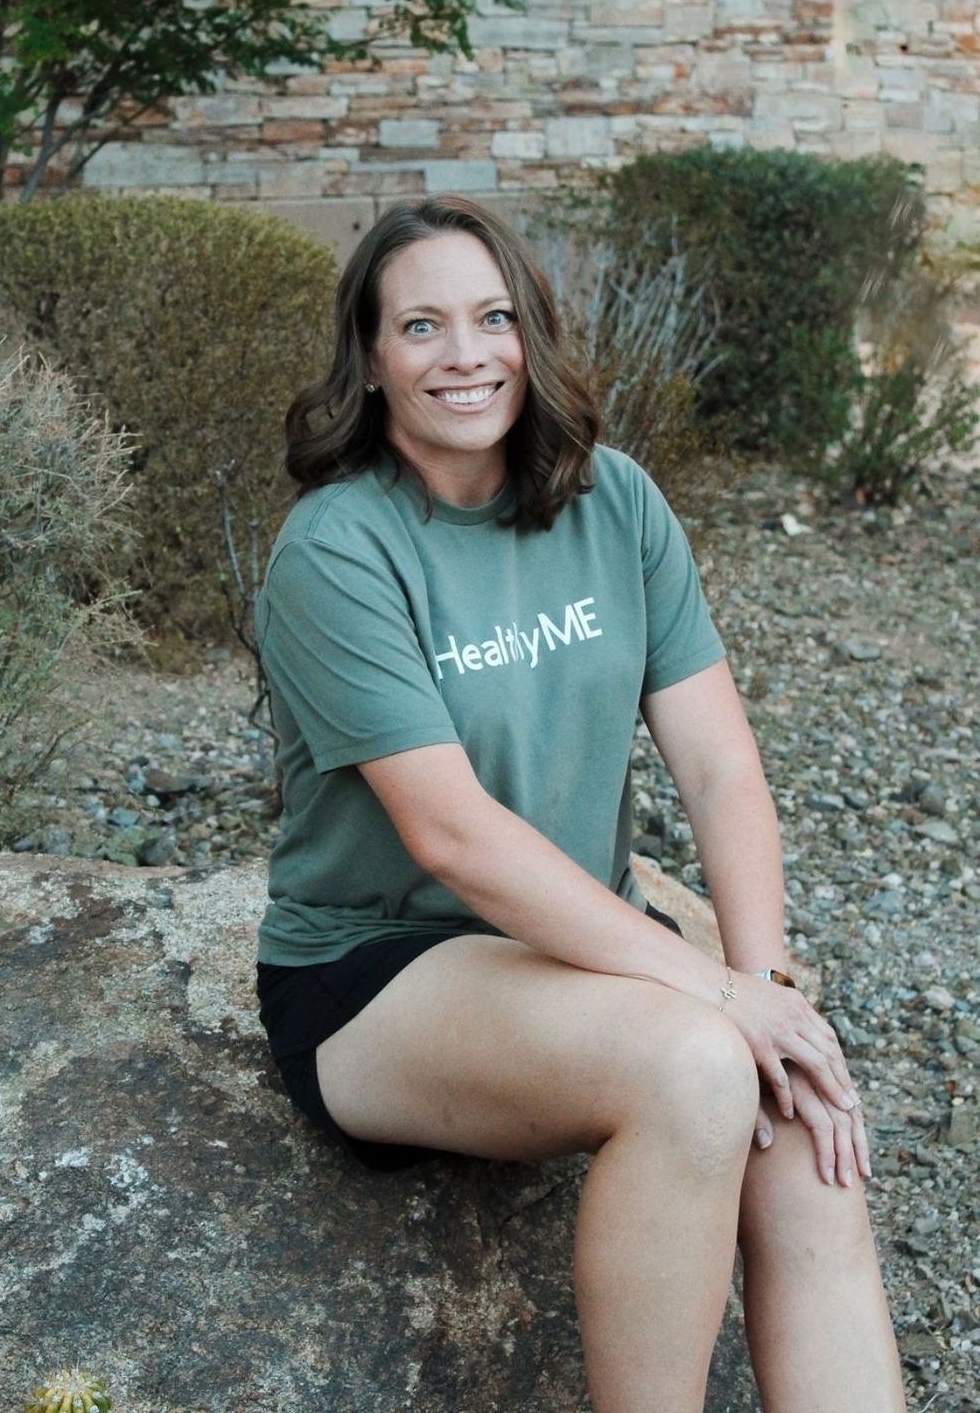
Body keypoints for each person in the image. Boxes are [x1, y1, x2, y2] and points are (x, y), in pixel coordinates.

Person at [255, 195, 907, 1413]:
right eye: (421, 326)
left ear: (531, 335)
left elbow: (718, 768)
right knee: (697, 1068)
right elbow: (452, 836)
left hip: (581, 944)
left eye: (494, 317)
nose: (465, 355)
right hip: (384, 971)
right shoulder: (337, 552)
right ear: (371, 360)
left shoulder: (613, 503)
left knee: (794, 1106)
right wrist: (713, 997)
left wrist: (762, 987)